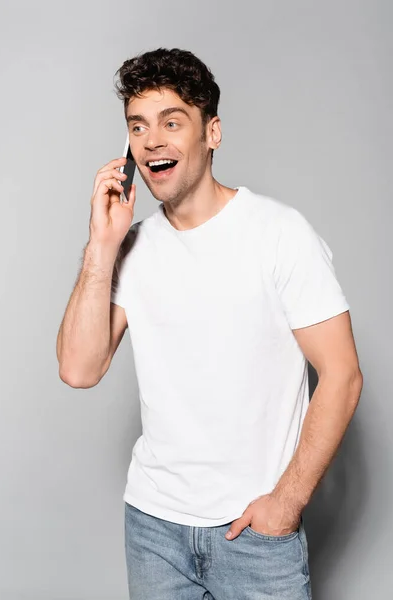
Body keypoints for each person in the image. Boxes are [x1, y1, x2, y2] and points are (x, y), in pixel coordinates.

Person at [57, 47, 363, 600]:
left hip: (254, 535)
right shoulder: (131, 249)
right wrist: (101, 244)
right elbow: (78, 369)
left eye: (172, 122)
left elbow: (342, 376)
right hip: (153, 529)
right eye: (138, 126)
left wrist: (286, 504)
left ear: (212, 133)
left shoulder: (279, 233)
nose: (152, 141)